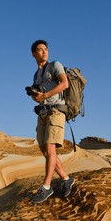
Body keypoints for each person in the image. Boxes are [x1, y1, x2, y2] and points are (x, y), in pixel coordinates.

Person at [28, 39, 75, 203]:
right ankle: (66, 179)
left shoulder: (55, 65)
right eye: (40, 50)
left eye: (46, 49)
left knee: (50, 147)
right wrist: (36, 96)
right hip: (43, 113)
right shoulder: (37, 74)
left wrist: (46, 96)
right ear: (33, 54)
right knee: (44, 150)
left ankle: (46, 187)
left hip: (56, 111)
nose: (44, 52)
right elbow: (39, 98)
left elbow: (65, 84)